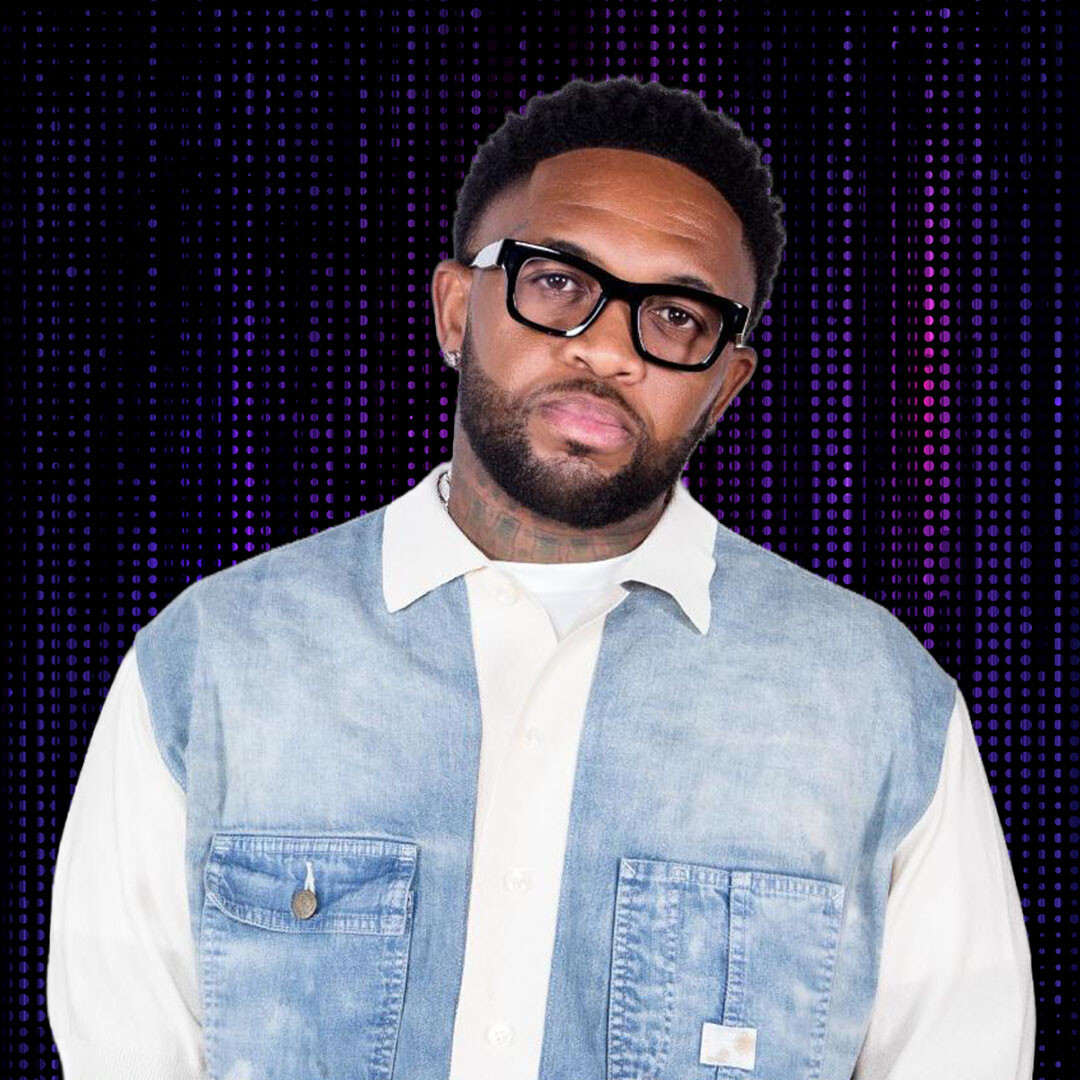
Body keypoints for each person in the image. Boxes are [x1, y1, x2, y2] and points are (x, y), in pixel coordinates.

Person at [47, 77, 1035, 1080]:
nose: (607, 350)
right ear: (454, 310)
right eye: (558, 281)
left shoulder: (876, 701)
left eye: (678, 315)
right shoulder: (213, 662)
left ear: (725, 386)